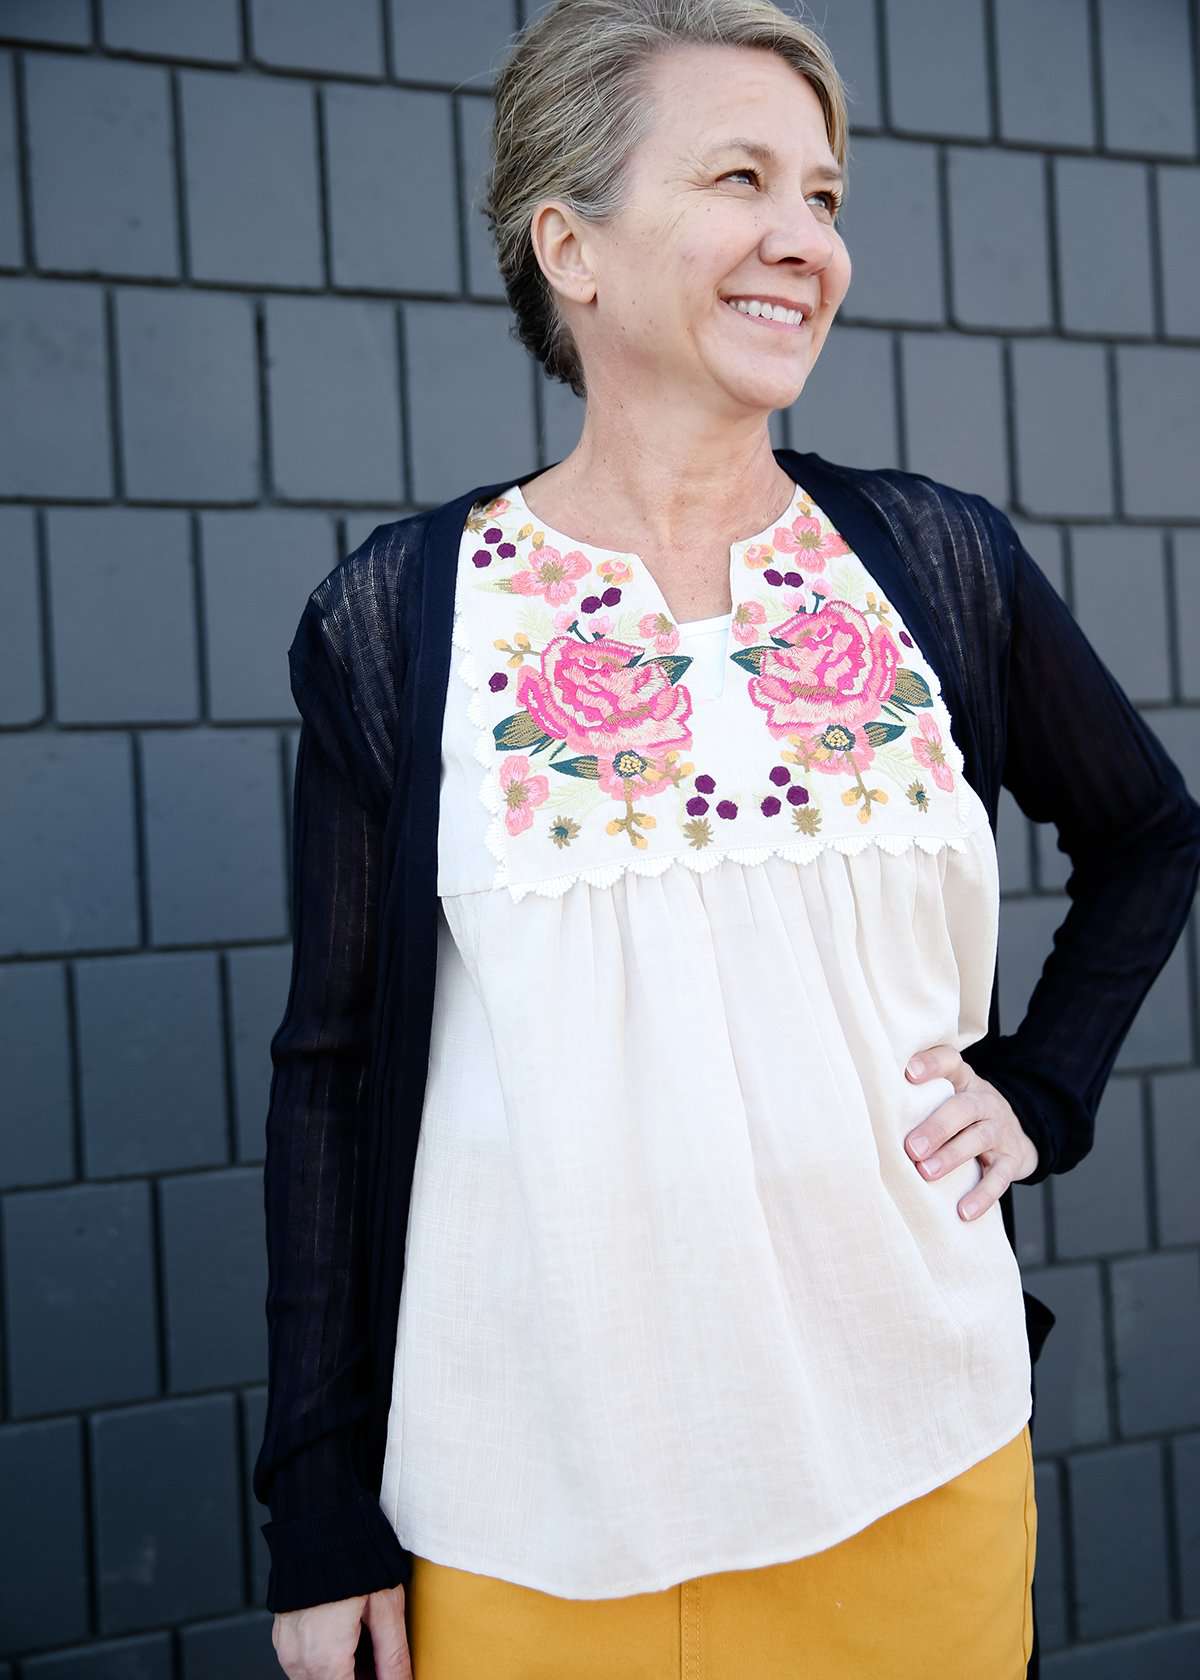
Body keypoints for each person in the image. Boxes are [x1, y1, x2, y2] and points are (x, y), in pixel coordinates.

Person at [257, 3, 1200, 1678]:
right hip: (536, 1513)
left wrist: (1039, 1092)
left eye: (824, 197)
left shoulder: (933, 563)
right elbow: (330, 1073)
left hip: (923, 1455)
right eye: (742, 179)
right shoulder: (401, 619)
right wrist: (321, 1514)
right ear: (573, 247)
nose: (804, 242)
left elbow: (1150, 835)